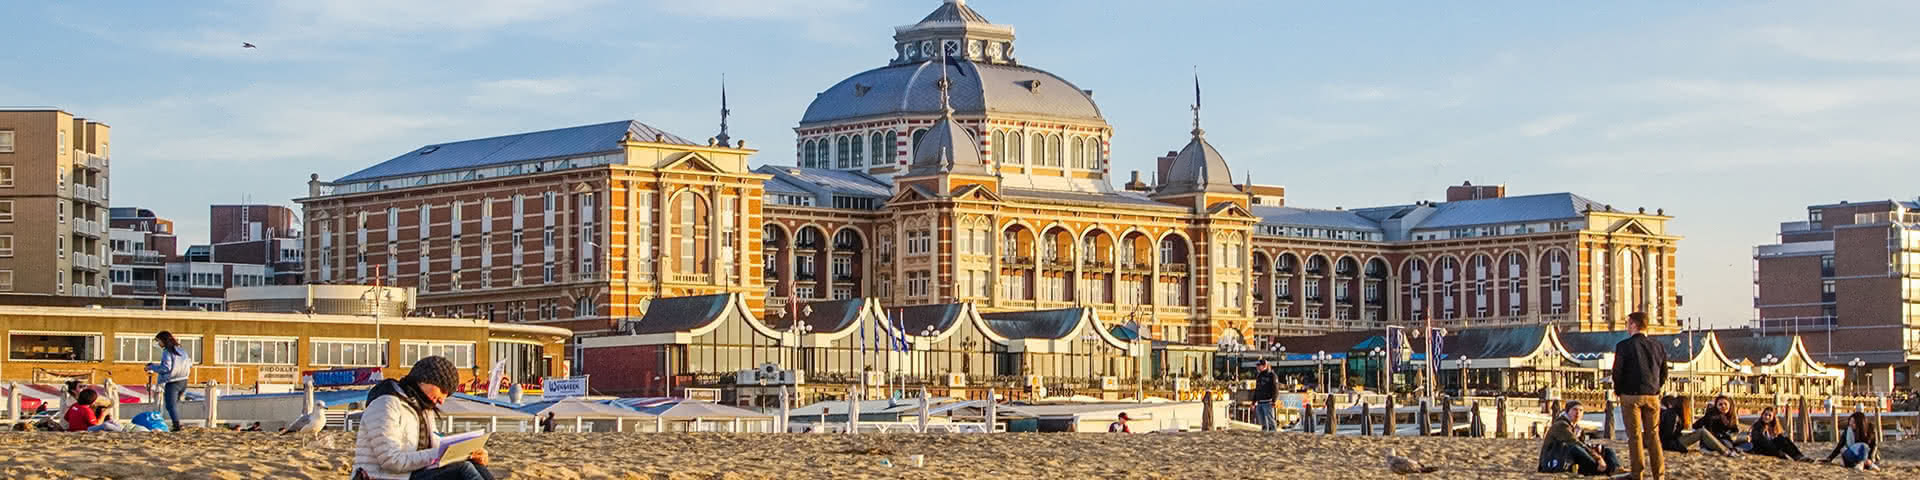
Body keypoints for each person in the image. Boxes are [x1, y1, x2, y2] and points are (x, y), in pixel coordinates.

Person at [352, 356, 493, 480]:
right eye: (443, 391)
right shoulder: (386, 404)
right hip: (382, 476)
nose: (442, 400)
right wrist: (441, 453)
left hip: (411, 475)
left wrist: (468, 452)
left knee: (475, 465)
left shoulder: (423, 409)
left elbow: (437, 446)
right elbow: (391, 460)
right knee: (463, 469)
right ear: (425, 380)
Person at [1611, 311, 1668, 480]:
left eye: (1628, 324)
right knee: (1653, 436)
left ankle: (1638, 473)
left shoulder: (1624, 346)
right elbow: (1664, 371)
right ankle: (1659, 474)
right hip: (1652, 395)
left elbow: (1617, 371)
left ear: (1634, 325)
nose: (1627, 327)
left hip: (1630, 395)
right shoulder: (1658, 346)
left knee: (1635, 436)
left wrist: (1618, 389)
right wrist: (1657, 388)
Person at [1541, 401, 1620, 475]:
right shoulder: (1561, 425)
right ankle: (1601, 469)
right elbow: (1575, 442)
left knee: (1606, 450)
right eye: (1574, 409)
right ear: (1567, 411)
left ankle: (1616, 469)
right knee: (1575, 447)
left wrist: (1596, 450)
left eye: (1580, 410)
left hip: (1570, 457)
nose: (1577, 412)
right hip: (1554, 459)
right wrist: (1598, 458)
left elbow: (1583, 444)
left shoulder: (1577, 428)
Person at [144, 331, 194, 431]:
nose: (158, 344)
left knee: (170, 405)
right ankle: (177, 424)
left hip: (173, 382)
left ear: (164, 340)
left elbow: (166, 368)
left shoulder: (167, 352)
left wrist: (152, 367)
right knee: (174, 405)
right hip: (184, 381)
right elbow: (189, 364)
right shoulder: (181, 351)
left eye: (159, 341)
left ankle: (177, 426)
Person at [1659, 396, 1731, 455]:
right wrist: (1683, 449)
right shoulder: (1673, 415)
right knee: (1701, 432)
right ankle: (1725, 451)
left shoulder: (1674, 413)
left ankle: (1723, 450)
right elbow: (1668, 437)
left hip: (1674, 442)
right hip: (1672, 444)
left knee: (1701, 432)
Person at [1250, 360, 1280, 432]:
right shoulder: (1259, 376)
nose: (1257, 367)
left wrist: (1274, 400)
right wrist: (1253, 402)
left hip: (1268, 401)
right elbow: (1257, 389)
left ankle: (1273, 431)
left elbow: (1275, 389)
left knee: (1270, 418)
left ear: (1264, 366)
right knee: (1262, 420)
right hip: (1260, 401)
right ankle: (1264, 432)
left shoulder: (1272, 375)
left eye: (1259, 365)